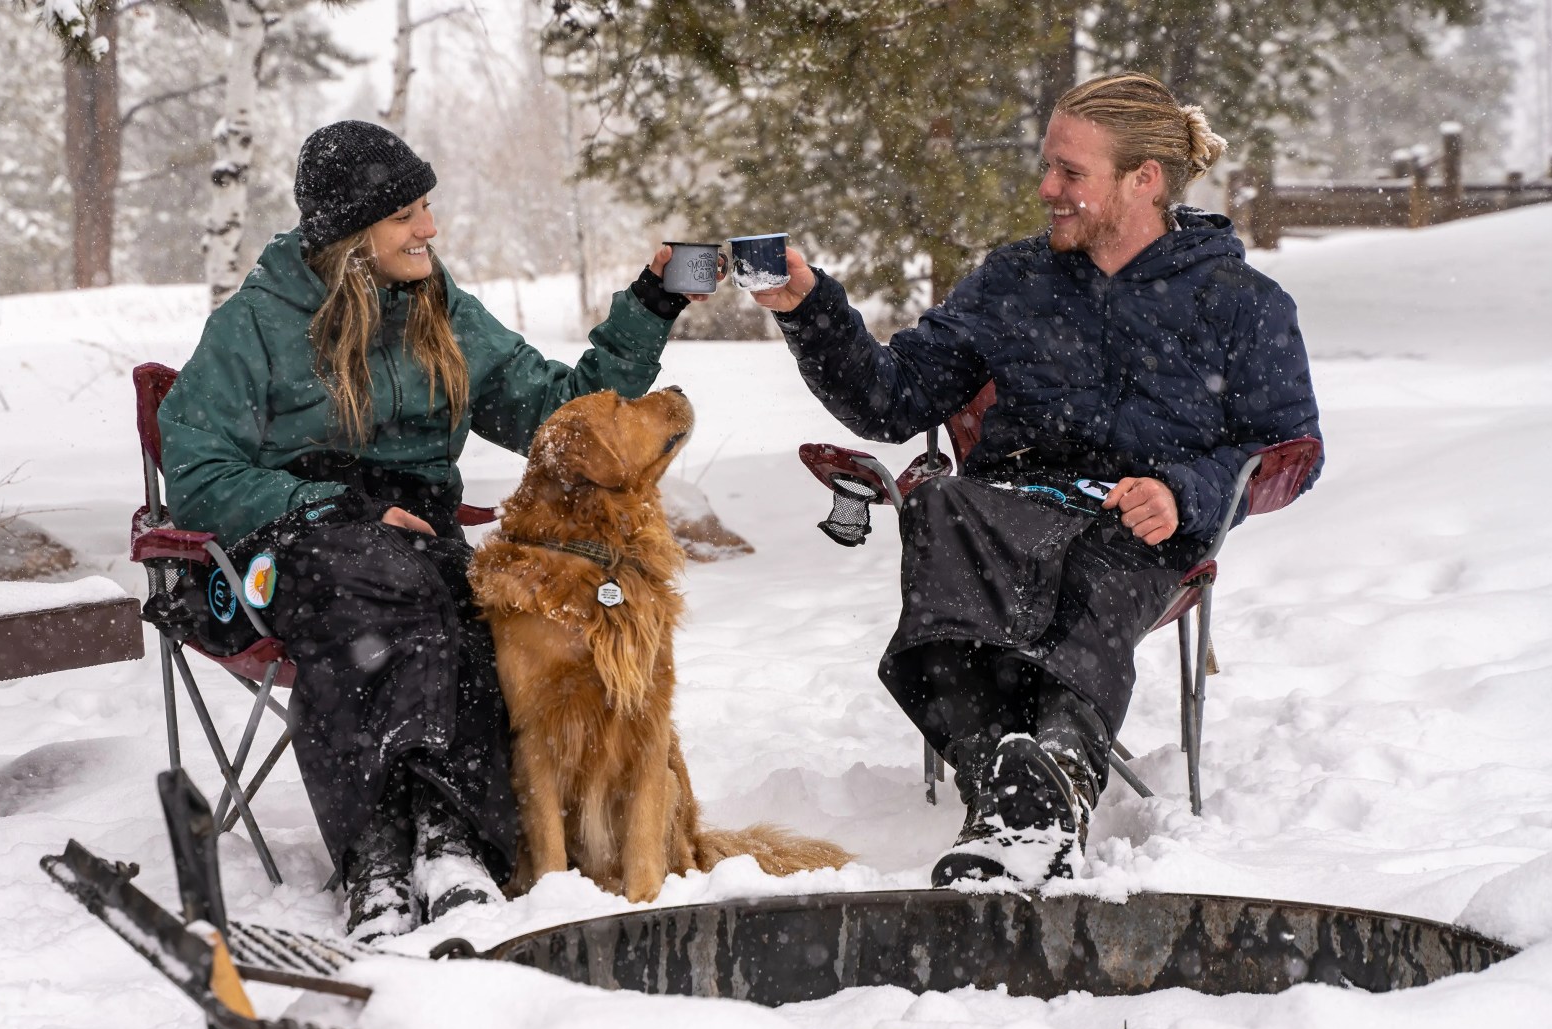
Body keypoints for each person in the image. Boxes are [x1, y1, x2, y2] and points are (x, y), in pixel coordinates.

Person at [752, 73, 1323, 885]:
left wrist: (1186, 493)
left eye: (1070, 172)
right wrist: (808, 307)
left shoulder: (1241, 303)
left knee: (1103, 550)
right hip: (1003, 519)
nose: (1047, 188)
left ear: (1143, 180)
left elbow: (1289, 451)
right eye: (1047, 166)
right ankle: (1020, 788)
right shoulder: (1013, 282)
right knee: (939, 501)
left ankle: (1038, 785)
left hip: (1138, 532)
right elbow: (891, 398)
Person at [158, 120, 701, 942]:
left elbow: (559, 420)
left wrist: (650, 307)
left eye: (426, 208)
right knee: (373, 594)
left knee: (466, 612)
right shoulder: (257, 326)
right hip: (297, 546)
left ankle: (449, 847)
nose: (429, 229)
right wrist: (334, 506)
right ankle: (383, 859)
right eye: (407, 213)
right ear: (350, 232)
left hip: (420, 541)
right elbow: (195, 473)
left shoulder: (439, 307)